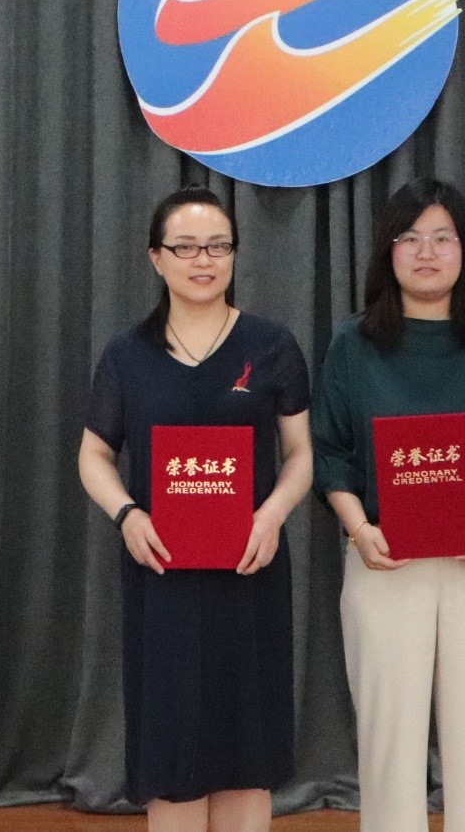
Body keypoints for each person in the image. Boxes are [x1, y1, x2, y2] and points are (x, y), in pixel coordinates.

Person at [312, 178, 465, 832]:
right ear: (387, 251)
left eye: (442, 238)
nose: (426, 253)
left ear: (464, 250)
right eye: (410, 237)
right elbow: (328, 449)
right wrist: (358, 527)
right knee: (388, 743)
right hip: (383, 561)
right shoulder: (353, 344)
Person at [78, 188, 315, 832]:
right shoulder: (127, 355)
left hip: (250, 568)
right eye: (185, 247)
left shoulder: (271, 346)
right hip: (163, 575)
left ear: (235, 254)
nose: (203, 260)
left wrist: (272, 514)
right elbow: (93, 455)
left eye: (217, 246)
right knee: (173, 748)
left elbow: (300, 454)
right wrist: (128, 515)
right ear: (156, 258)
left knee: (246, 751)